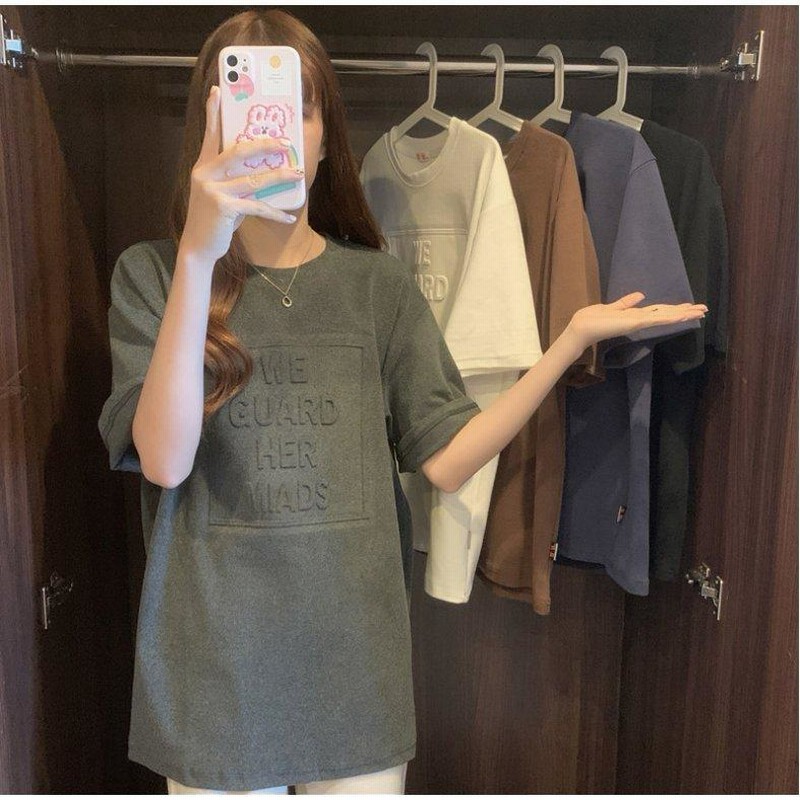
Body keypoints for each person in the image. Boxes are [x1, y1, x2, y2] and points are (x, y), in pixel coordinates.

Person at [97, 8, 708, 796]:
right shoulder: (152, 276)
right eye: (251, 107)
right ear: (208, 129)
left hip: (356, 673)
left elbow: (448, 461)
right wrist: (197, 254)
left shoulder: (376, 286)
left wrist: (566, 344)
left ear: (326, 134)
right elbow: (165, 460)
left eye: (301, 109)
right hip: (214, 678)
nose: (279, 134)